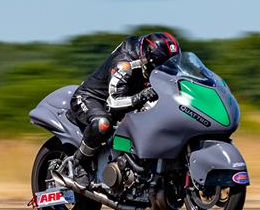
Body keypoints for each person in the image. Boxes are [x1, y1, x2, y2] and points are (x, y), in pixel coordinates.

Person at [67, 31, 181, 188]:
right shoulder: (125, 64)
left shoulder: (152, 61)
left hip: (128, 98)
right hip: (93, 99)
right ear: (147, 59)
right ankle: (79, 164)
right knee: (103, 124)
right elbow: (113, 103)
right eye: (159, 67)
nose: (162, 71)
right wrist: (142, 96)